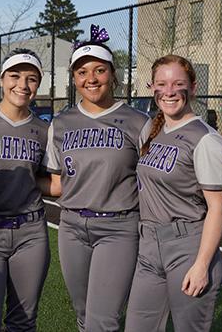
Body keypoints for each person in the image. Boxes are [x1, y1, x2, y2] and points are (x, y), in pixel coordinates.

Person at [43, 25, 151, 332]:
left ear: (113, 75)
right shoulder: (62, 122)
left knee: (103, 320)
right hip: (72, 227)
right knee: (83, 313)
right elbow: (57, 181)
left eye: (99, 70)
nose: (91, 78)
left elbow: (154, 179)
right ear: (74, 79)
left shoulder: (138, 121)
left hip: (119, 228)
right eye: (82, 72)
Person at [125, 55, 222, 332]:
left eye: (178, 84)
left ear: (193, 87)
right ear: (152, 87)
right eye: (162, 83)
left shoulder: (206, 139)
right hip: (149, 246)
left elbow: (218, 208)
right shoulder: (151, 129)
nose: (169, 91)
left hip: (187, 248)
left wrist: (202, 265)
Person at [0, 48, 55, 331]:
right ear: (2, 79)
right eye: (15, 76)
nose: (22, 85)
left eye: (31, 79)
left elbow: (41, 180)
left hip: (31, 233)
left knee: (23, 323)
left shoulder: (44, 129)